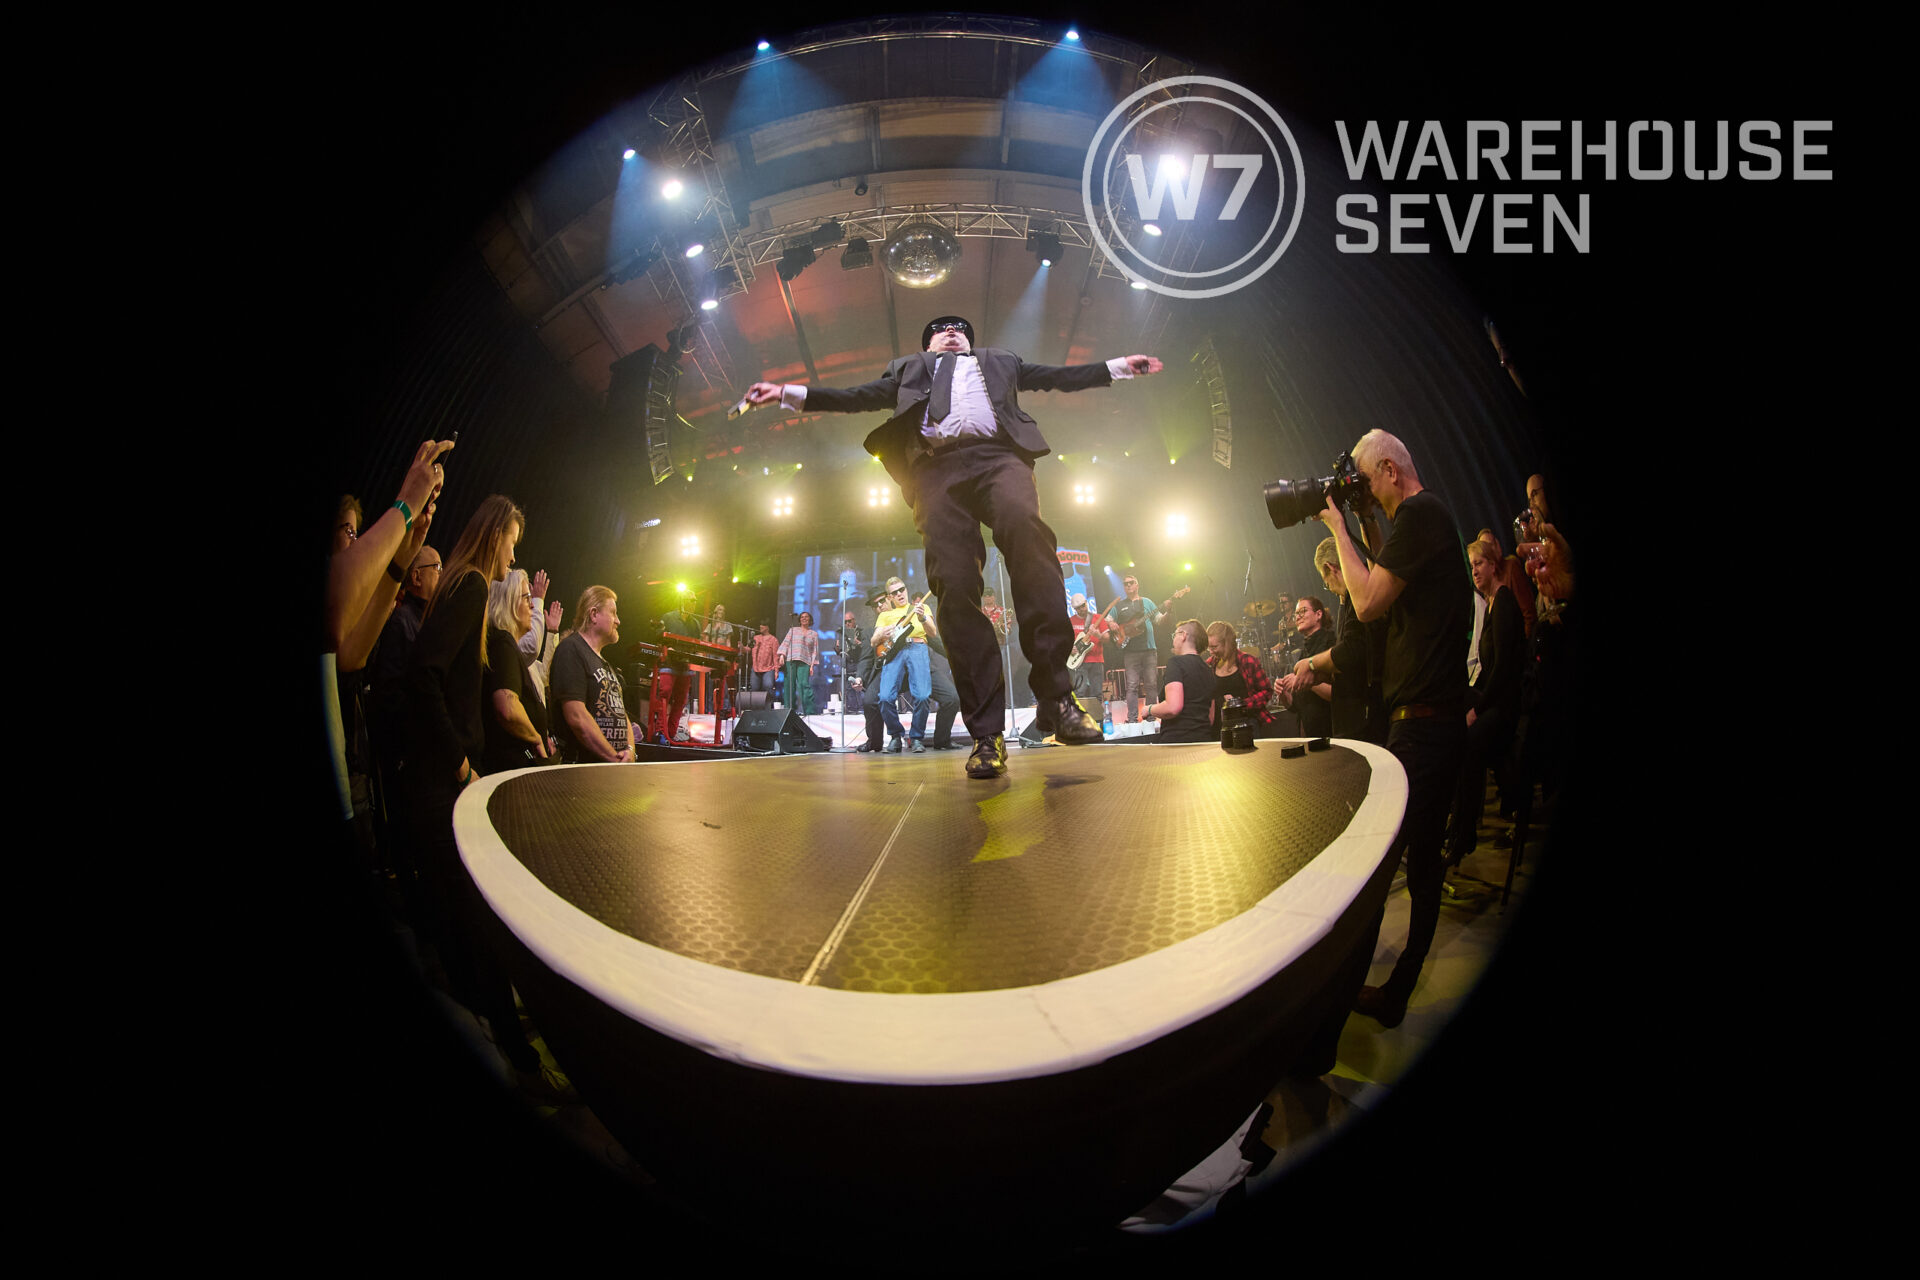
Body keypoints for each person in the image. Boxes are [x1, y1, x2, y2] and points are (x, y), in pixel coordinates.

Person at [743, 315, 1164, 779]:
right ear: (927, 345)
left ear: (968, 339)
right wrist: (789, 393)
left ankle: (1056, 699)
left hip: (999, 458)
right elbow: (856, 396)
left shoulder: (1000, 361)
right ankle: (987, 735)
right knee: (954, 586)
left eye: (959, 327)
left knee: (1031, 542)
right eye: (939, 328)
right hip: (935, 470)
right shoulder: (907, 370)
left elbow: (1056, 376)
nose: (950, 330)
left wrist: (1118, 367)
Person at [1311, 429, 1471, 1029]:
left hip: (1425, 727)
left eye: (1366, 480)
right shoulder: (1421, 522)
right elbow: (1386, 577)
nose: (1365, 490)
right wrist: (1361, 520)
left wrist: (1337, 527)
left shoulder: (1422, 513)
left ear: (1389, 470)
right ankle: (1395, 991)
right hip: (1427, 723)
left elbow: (1369, 601)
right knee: (1420, 863)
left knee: (1386, 862)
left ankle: (1342, 999)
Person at [401, 493, 550, 1081]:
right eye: (512, 541)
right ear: (495, 535)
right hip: (444, 783)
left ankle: (507, 1040)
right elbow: (423, 677)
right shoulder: (467, 587)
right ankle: (520, 1063)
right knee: (475, 925)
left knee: (467, 924)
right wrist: (461, 764)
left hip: (442, 781)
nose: (514, 554)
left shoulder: (463, 586)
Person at [1448, 539, 1526, 864]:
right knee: (1456, 727)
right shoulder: (1491, 603)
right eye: (1472, 566)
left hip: (1508, 707)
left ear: (1494, 565)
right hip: (1496, 700)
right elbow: (1488, 670)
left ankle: (1464, 832)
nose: (1475, 571)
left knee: (1469, 740)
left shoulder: (1503, 600)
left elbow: (1504, 669)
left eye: (1479, 563)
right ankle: (1459, 825)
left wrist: (1476, 710)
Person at [1297, 535, 1386, 742]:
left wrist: (1311, 663)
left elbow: (1352, 651)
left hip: (1365, 720)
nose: (1330, 588)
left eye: (1326, 582)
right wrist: (1321, 675)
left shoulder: (1358, 595)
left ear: (1330, 568)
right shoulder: (1350, 599)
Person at [481, 569, 556, 773]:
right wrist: (536, 738)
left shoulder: (506, 646)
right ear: (509, 602)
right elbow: (507, 707)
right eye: (527, 598)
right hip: (509, 773)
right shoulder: (503, 643)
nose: (532, 605)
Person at [551, 586, 635, 764]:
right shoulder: (571, 649)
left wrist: (630, 749)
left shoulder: (605, 664)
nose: (618, 621)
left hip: (611, 769)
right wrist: (613, 758)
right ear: (594, 614)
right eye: (613, 613)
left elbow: (621, 713)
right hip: (583, 770)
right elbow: (576, 715)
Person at [870, 579, 935, 752]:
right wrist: (882, 634)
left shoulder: (921, 607)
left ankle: (916, 738)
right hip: (895, 651)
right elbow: (873, 641)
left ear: (906, 590)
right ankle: (895, 736)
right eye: (895, 592)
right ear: (889, 597)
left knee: (922, 695)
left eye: (902, 589)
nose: (899, 594)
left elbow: (933, 632)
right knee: (885, 697)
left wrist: (922, 617)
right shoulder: (885, 616)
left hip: (917, 647)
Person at [1112, 574, 1185, 725]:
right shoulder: (1119, 605)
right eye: (1125, 584)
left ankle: (1151, 718)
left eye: (1131, 582)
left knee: (1151, 684)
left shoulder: (1147, 602)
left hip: (1149, 649)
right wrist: (1111, 624)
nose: (1128, 585)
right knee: (1131, 685)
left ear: (1137, 585)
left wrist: (1168, 611)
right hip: (1130, 651)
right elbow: (1108, 619)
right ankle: (1132, 719)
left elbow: (1159, 620)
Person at [1139, 620, 1218, 743]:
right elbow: (1210, 717)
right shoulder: (1208, 670)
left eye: (1174, 635)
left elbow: (1173, 707)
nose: (1173, 640)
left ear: (1183, 635)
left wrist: (1149, 709)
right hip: (1203, 740)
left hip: (1178, 742)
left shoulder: (1176, 663)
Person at [1205, 621, 1278, 738]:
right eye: (1209, 647)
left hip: (1247, 723)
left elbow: (1267, 691)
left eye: (1214, 647)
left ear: (1227, 643)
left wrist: (1240, 704)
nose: (1211, 651)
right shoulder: (1209, 665)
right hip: (1220, 726)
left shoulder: (1248, 661)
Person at [1068, 593, 1121, 714]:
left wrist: (1098, 635)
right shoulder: (1070, 621)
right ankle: (1080, 720)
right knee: (1079, 692)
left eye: (1083, 606)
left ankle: (1097, 719)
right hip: (1078, 662)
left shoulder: (1097, 618)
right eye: (1078, 608)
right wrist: (1069, 648)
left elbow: (1107, 639)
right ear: (1074, 609)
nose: (1081, 609)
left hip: (1096, 660)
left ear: (1086, 603)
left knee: (1097, 692)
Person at [777, 612, 821, 715]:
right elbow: (786, 642)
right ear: (799, 620)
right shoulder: (793, 630)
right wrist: (782, 655)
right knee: (789, 685)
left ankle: (809, 712)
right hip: (791, 660)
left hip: (805, 662)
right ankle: (789, 711)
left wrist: (812, 666)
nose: (804, 618)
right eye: (802, 617)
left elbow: (814, 651)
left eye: (806, 617)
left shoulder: (814, 634)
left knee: (804, 685)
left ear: (810, 620)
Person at [747, 621, 780, 699]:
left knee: (768, 685)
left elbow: (776, 656)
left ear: (767, 627)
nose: (760, 626)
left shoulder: (773, 640)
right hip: (756, 668)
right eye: (760, 625)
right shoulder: (756, 638)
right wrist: (742, 647)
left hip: (768, 668)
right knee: (754, 688)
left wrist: (776, 671)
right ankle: (755, 705)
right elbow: (748, 649)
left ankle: (770, 704)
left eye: (763, 625)